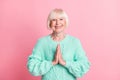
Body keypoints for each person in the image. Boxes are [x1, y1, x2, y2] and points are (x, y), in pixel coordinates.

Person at [27, 8, 90, 80]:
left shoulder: (75, 42)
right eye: (54, 20)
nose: (57, 23)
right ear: (49, 23)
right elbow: (32, 67)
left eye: (61, 19)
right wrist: (52, 62)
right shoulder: (42, 42)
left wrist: (64, 63)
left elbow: (84, 65)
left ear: (65, 22)